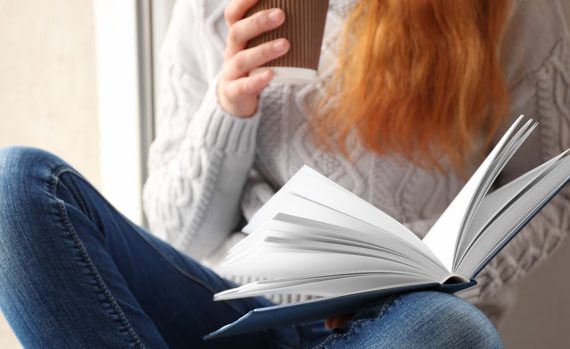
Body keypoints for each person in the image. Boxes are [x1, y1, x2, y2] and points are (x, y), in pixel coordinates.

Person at [0, 0, 568, 347]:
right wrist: (228, 109)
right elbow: (179, 234)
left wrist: (435, 272)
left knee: (451, 334)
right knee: (15, 186)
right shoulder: (212, 8)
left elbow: (547, 197)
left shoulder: (509, 8)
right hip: (233, 310)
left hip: (399, 323)